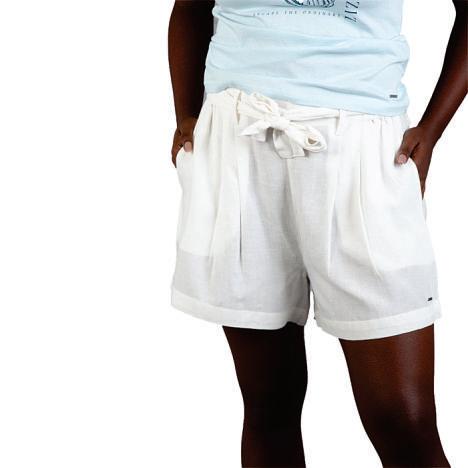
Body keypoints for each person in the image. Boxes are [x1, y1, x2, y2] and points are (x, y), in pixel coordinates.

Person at [168, 1, 467, 466]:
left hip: (363, 151)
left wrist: (431, 131)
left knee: (402, 419)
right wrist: (186, 115)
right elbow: (189, 8)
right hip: (238, 140)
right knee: (268, 404)